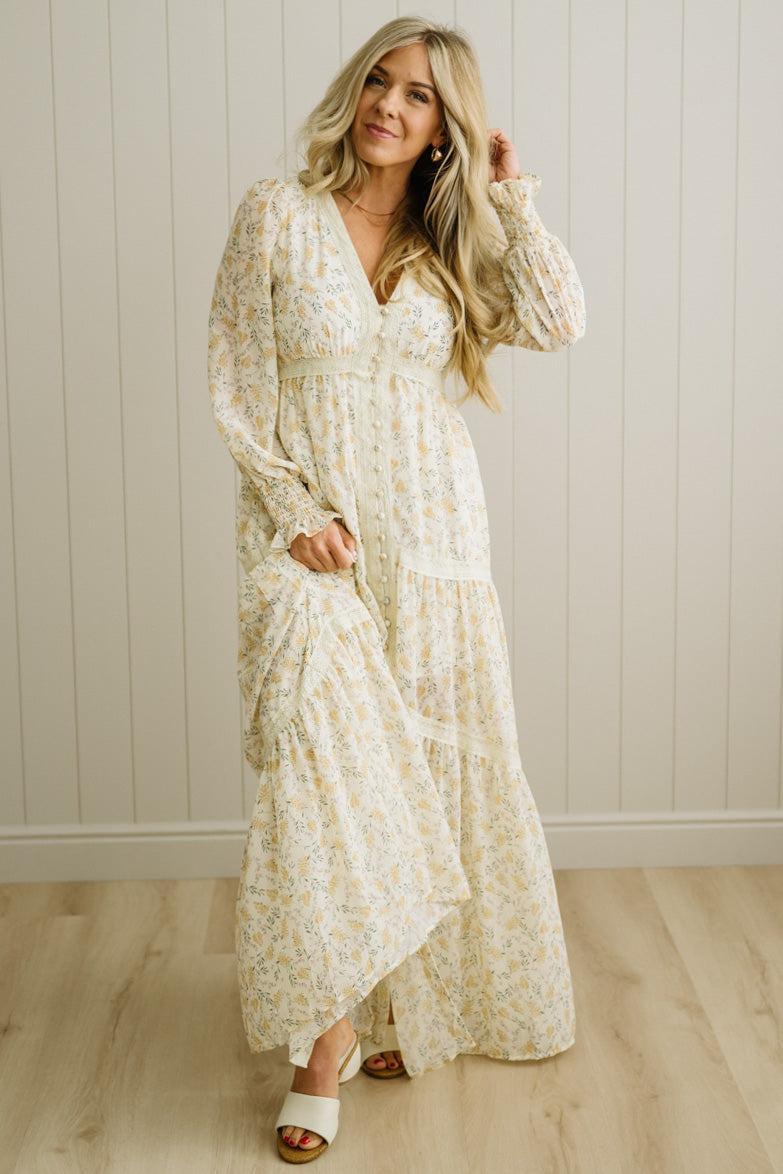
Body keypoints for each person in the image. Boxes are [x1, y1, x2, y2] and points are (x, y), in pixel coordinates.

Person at [207, 14, 585, 1165]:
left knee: (423, 768)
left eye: (421, 98)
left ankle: (403, 1010)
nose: (388, 105)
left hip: (434, 548)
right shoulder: (277, 213)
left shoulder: (448, 244)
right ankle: (320, 1047)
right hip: (316, 546)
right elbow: (236, 380)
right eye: (380, 81)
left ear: (443, 130)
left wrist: (510, 197)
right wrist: (297, 513)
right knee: (326, 786)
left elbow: (560, 319)